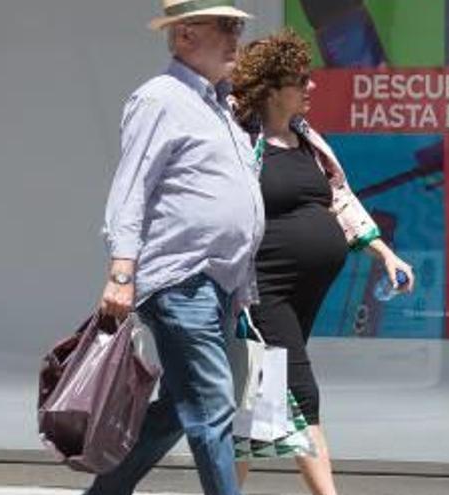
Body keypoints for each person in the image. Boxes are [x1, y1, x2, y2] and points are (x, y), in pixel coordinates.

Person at [88, 1, 265, 494]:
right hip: (181, 282)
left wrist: (243, 287)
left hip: (221, 286)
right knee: (212, 407)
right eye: (224, 27)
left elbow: (237, 202)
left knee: (176, 411)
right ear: (184, 36)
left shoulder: (221, 106)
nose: (235, 37)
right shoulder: (159, 99)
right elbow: (131, 189)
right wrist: (121, 273)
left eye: (237, 27)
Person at [229, 29, 415, 495]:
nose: (312, 87)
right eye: (301, 80)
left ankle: (222, 489)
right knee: (299, 391)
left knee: (261, 404)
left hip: (302, 294)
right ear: (272, 89)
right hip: (263, 287)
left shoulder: (308, 141)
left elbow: (341, 200)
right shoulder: (237, 142)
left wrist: (384, 253)